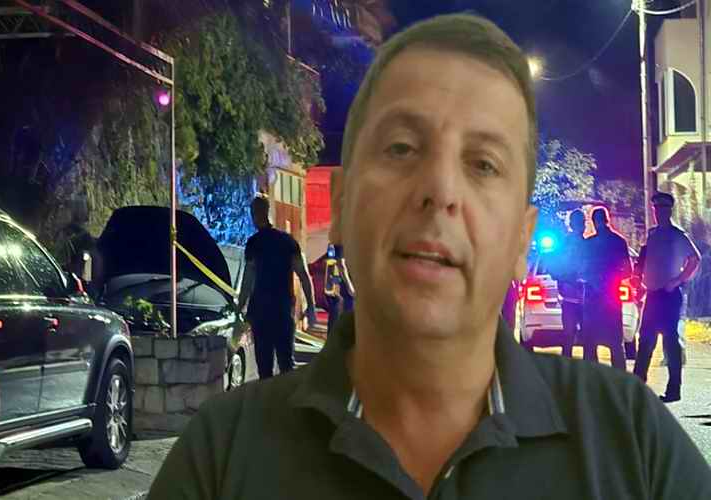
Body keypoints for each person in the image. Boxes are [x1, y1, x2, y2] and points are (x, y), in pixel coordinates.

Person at [149, 14, 711, 499]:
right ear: (341, 205)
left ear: (521, 238)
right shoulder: (223, 457)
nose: (439, 190)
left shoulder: (633, 446)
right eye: (401, 148)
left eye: (483, 164)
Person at [236, 195, 316, 380]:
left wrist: (239, 307)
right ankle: (288, 398)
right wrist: (311, 306)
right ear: (268, 212)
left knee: (264, 369)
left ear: (255, 215)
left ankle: (269, 398)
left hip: (261, 313)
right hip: (282, 311)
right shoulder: (288, 242)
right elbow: (304, 276)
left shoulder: (254, 243)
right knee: (286, 364)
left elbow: (248, 280)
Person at [633, 191, 701, 403]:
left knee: (670, 342)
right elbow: (644, 258)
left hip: (669, 295)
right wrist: (638, 278)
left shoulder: (677, 235)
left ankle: (674, 390)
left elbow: (695, 259)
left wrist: (678, 280)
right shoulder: (652, 234)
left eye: (662, 208)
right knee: (645, 340)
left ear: (669, 210)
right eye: (655, 208)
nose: (658, 212)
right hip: (652, 294)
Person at [580, 207, 632, 370]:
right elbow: (628, 270)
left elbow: (581, 270)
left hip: (593, 298)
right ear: (607, 220)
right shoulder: (619, 241)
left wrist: (592, 279)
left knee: (590, 342)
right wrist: (612, 279)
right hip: (611, 296)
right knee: (615, 342)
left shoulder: (589, 244)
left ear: (594, 222)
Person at [550, 209, 588, 358]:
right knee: (570, 337)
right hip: (571, 296)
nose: (582, 226)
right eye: (580, 222)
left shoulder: (587, 244)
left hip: (583, 297)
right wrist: (568, 279)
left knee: (584, 338)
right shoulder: (564, 245)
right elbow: (553, 268)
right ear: (572, 224)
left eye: (582, 222)